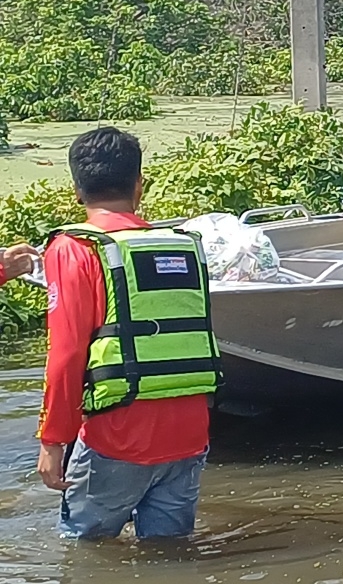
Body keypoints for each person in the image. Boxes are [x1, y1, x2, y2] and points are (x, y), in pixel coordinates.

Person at [37, 126, 222, 540]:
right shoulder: (180, 244)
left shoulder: (74, 249)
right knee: (170, 557)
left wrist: (53, 442)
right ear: (140, 185)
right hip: (189, 433)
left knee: (85, 552)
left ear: (77, 191)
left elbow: (66, 355)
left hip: (116, 437)